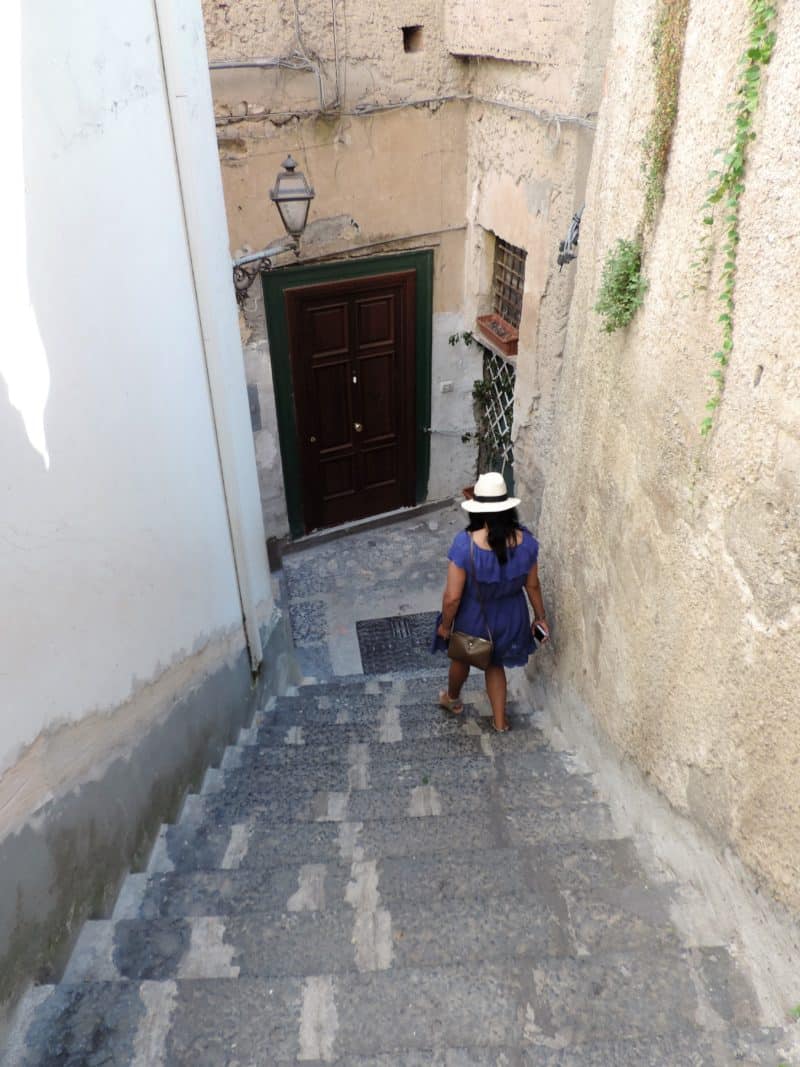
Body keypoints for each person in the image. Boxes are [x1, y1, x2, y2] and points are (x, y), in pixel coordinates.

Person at [431, 472, 549, 732]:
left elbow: (452, 597)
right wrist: (540, 617)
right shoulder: (527, 543)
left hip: (474, 619)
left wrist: (446, 626)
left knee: (462, 659)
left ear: (479, 510)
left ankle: (452, 699)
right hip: (512, 617)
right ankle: (500, 722)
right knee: (494, 664)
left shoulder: (465, 546)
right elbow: (532, 585)